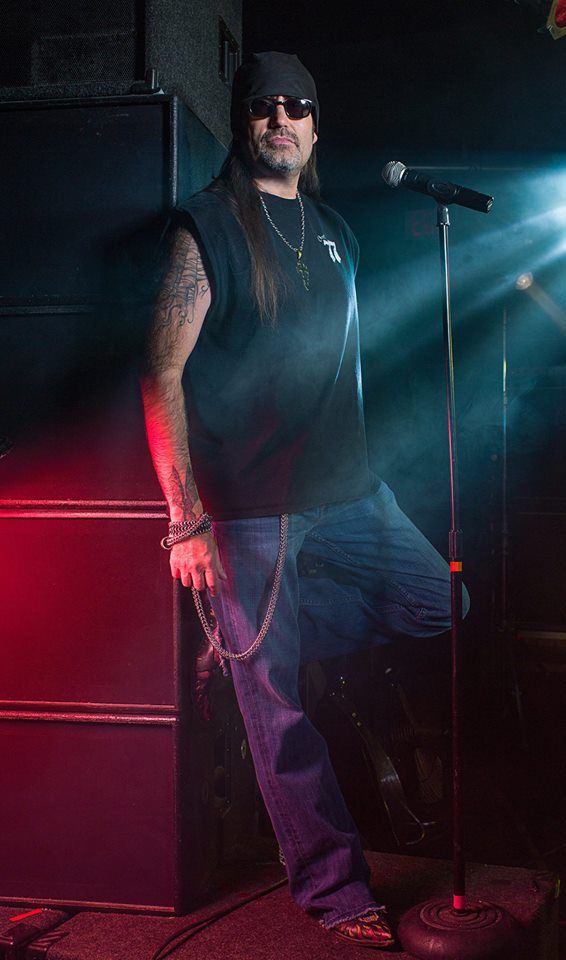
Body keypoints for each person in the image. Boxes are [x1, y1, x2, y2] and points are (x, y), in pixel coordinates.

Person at [141, 51, 468, 949]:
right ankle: (334, 888)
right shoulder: (206, 226)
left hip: (354, 495)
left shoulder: (335, 232)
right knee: (279, 713)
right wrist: (186, 523)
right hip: (250, 508)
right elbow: (161, 372)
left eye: (297, 108)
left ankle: (240, 649)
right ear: (246, 124)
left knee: (441, 601)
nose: (279, 120)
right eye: (263, 107)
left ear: (316, 126)